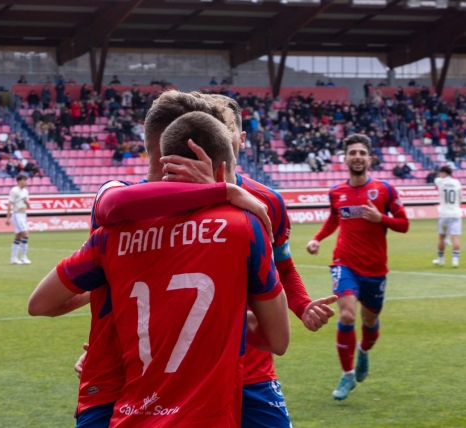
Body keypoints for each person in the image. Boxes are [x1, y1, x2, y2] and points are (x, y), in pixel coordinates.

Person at [77, 91, 335, 428]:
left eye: (225, 129)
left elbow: (281, 264)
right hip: (154, 368)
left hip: (250, 367)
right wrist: (103, 343)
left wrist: (301, 305)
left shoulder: (265, 201)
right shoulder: (130, 203)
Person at [28, 111, 290, 427]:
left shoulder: (112, 235)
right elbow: (278, 340)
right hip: (206, 416)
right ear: (222, 169)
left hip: (129, 412)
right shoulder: (244, 228)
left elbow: (39, 304)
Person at [306, 133, 409, 401]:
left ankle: (363, 352)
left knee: (370, 321)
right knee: (348, 316)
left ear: (370, 157)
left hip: (375, 270)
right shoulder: (337, 192)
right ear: (345, 158)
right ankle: (348, 375)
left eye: (362, 153)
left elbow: (404, 224)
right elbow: (333, 218)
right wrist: (317, 239)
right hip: (344, 263)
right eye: (353, 153)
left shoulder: (385, 190)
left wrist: (381, 218)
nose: (357, 157)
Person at [433, 166, 462, 267]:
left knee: (441, 237)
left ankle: (441, 260)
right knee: (455, 237)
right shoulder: (457, 182)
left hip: (444, 214)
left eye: (441, 172)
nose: (439, 174)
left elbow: (437, 180)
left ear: (444, 173)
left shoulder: (439, 181)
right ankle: (455, 261)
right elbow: (460, 198)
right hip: (455, 213)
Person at [6, 174, 31, 265]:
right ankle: (23, 257)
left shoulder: (25, 191)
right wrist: (8, 217)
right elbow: (10, 204)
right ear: (19, 181)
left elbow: (27, 204)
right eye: (24, 180)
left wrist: (27, 202)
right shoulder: (14, 191)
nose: (26, 182)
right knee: (25, 234)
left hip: (23, 214)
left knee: (18, 236)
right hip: (17, 215)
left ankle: (13, 258)